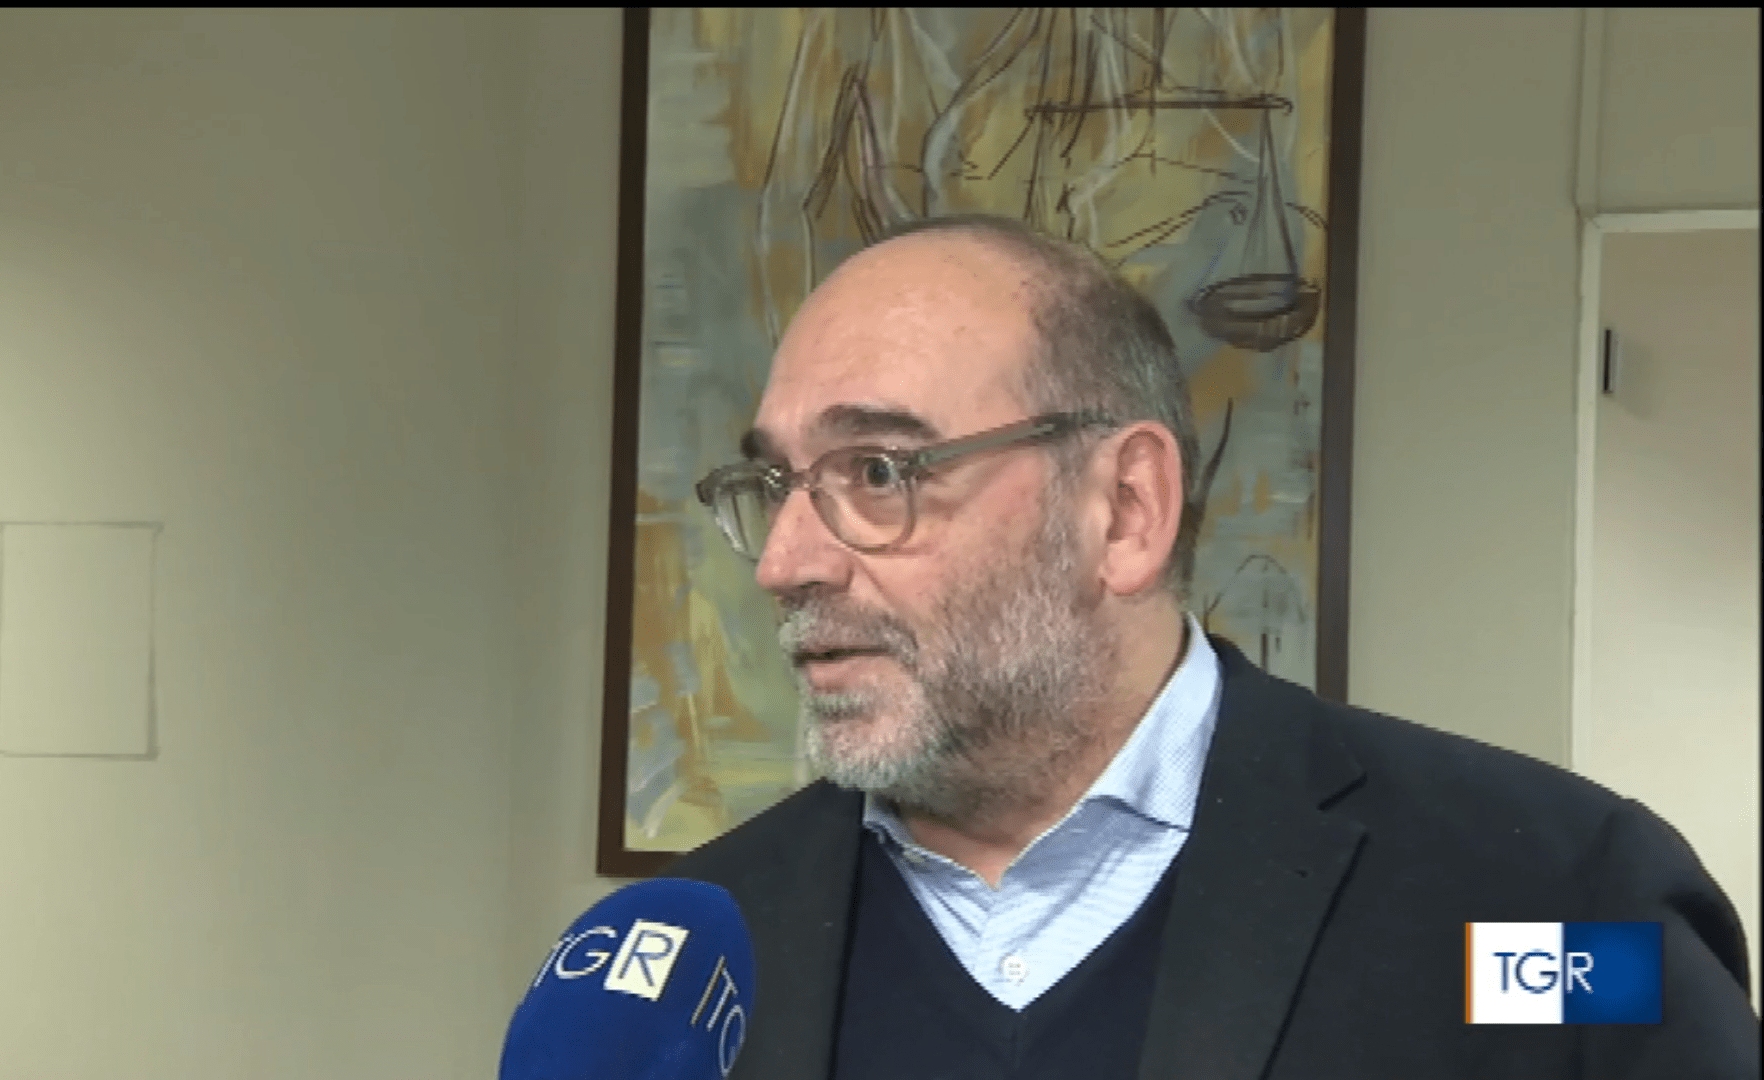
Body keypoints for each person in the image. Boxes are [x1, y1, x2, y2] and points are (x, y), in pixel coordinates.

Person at [665, 214, 1758, 1079]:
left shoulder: (1549, 903)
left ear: (1124, 509)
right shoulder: (686, 960)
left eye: (877, 472)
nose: (785, 562)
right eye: (773, 484)